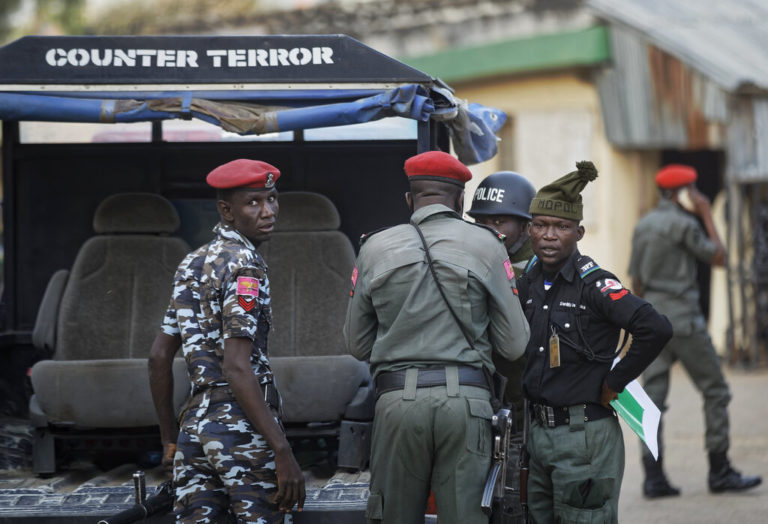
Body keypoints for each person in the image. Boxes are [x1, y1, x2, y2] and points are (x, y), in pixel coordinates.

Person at [343, 150, 530, 524]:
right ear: (461, 200)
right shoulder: (487, 245)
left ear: (410, 199)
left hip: (396, 405)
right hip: (466, 403)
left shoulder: (374, 247)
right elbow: (513, 345)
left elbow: (356, 345)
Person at [148, 159, 305, 523]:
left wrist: (170, 440)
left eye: (272, 198)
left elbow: (158, 357)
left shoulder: (191, 262)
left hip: (194, 429)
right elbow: (236, 366)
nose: (268, 211)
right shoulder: (245, 266)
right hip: (242, 429)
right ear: (226, 211)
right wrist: (282, 450)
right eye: (254, 202)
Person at [517, 160, 673, 523]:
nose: (550, 235)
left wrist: (614, 383)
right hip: (538, 435)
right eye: (540, 225)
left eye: (562, 227)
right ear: (528, 230)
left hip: (583, 434)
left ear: (579, 232)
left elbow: (656, 328)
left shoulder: (594, 285)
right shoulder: (527, 282)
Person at [629, 164, 762, 497]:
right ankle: (720, 471)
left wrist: (642, 322)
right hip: (684, 321)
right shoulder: (684, 223)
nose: (699, 196)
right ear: (682, 193)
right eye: (694, 190)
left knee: (651, 401)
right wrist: (705, 212)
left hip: (653, 323)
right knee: (715, 391)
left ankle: (653, 477)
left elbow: (637, 282)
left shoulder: (643, 224)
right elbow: (719, 257)